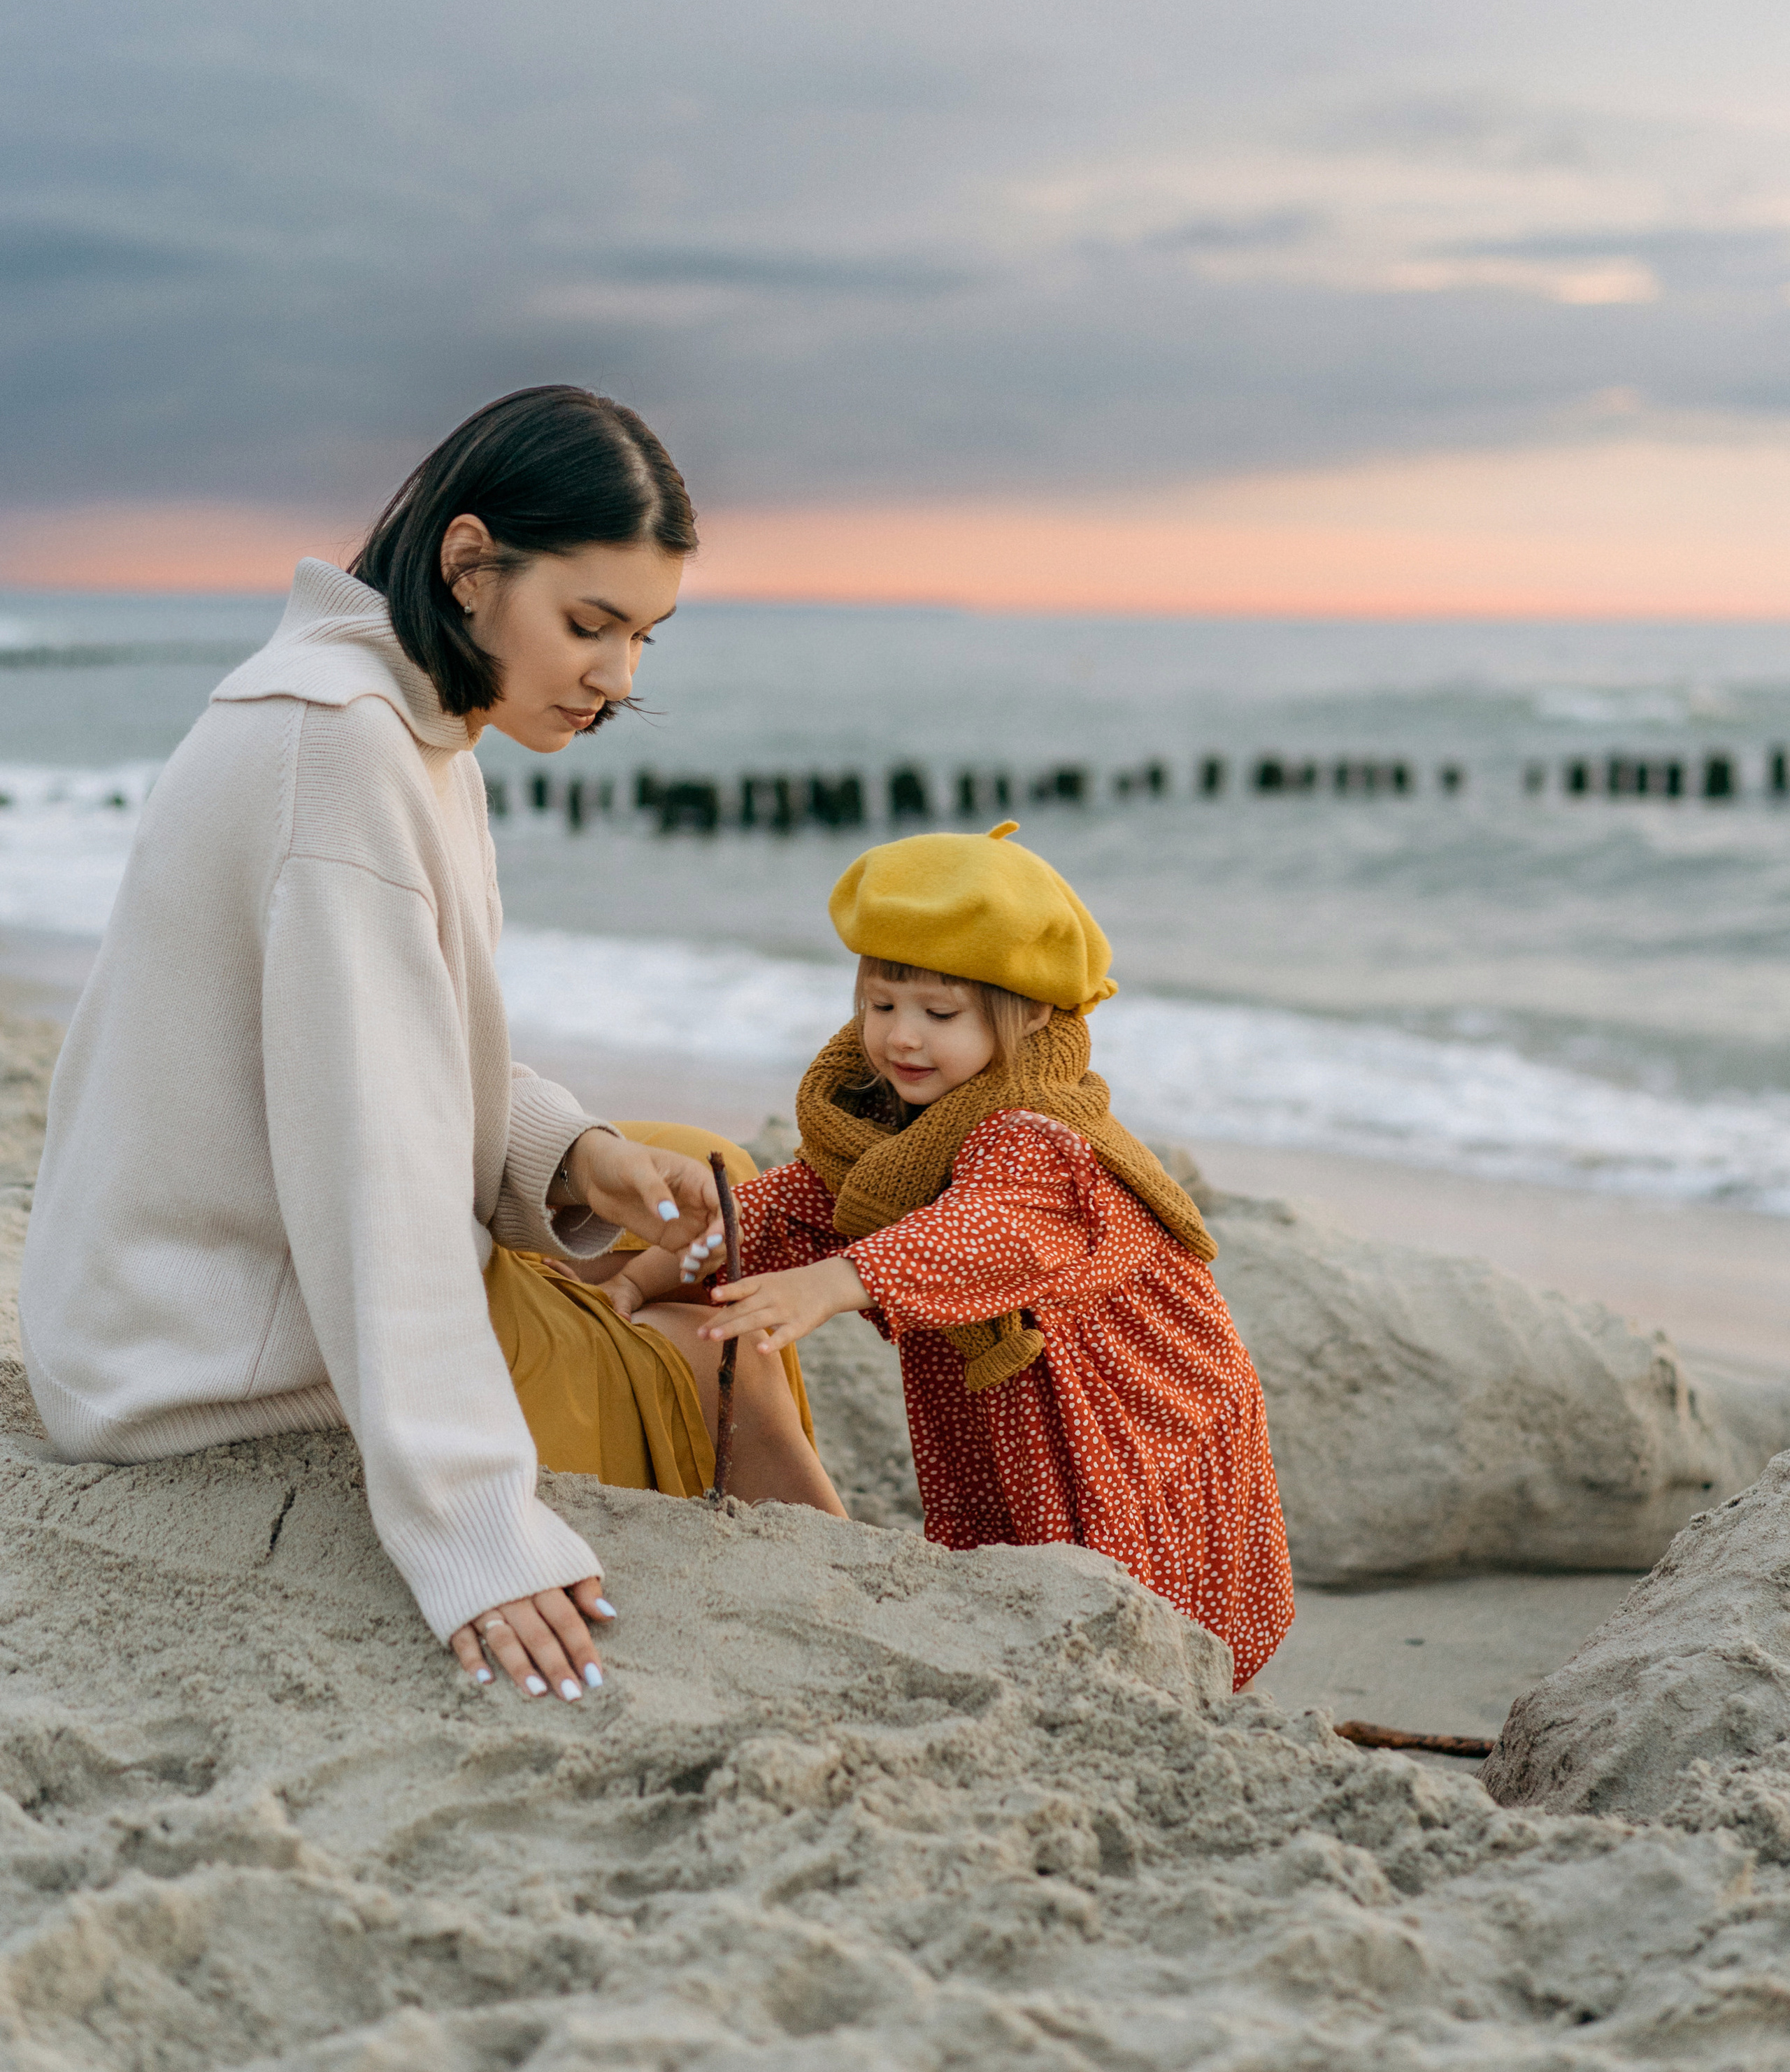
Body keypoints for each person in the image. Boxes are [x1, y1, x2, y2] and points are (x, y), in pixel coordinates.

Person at [19, 386, 841, 1706]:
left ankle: (721, 1415)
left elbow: (398, 1047)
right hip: (207, 1357)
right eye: (590, 625)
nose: (620, 680)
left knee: (701, 1180)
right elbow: (374, 1169)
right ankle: (806, 1533)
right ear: (469, 563)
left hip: (232, 1273)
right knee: (704, 1350)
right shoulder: (339, 752)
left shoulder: (407, 725)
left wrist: (573, 1157)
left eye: (643, 636)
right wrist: (473, 1529)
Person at [615, 822, 1294, 1686]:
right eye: (881, 1004)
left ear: (1030, 1011)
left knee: (1120, 1560)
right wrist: (647, 1269)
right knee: (1013, 1542)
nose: (902, 1037)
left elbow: (989, 1227)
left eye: (940, 1014)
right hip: (1017, 1388)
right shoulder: (898, 1121)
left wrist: (837, 1282)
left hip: (1132, 1394)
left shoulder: (1034, 1128)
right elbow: (811, 1201)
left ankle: (1157, 1686)